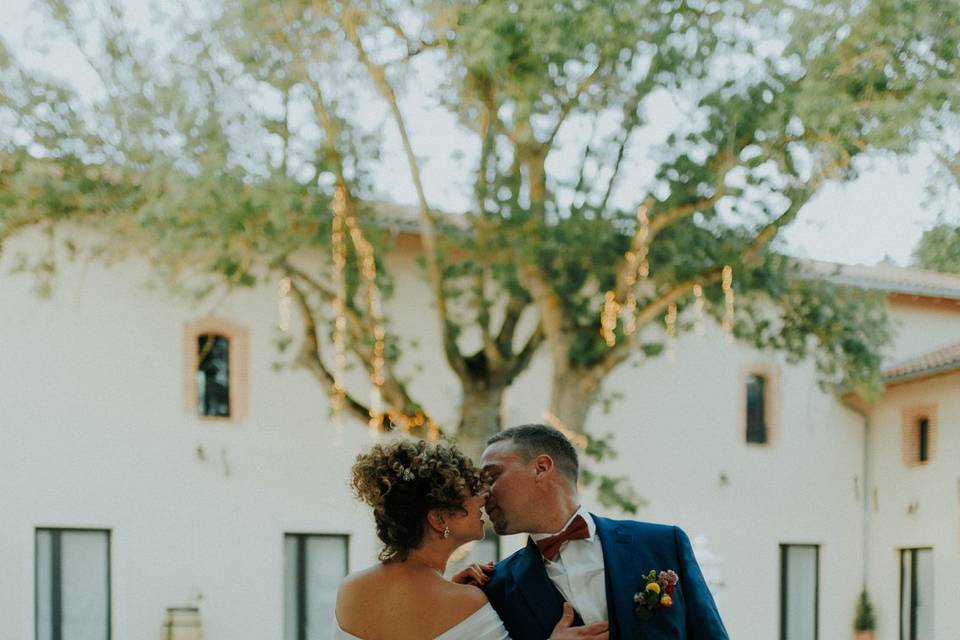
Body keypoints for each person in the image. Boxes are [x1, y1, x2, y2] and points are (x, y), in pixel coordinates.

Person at [335, 438, 610, 639]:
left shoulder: (351, 588)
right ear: (439, 519)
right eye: (468, 492)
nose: (482, 497)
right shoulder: (466, 602)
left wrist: (446, 589)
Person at [480, 424, 729, 639]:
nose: (483, 495)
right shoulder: (495, 589)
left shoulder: (663, 544)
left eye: (492, 476)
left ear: (542, 468)